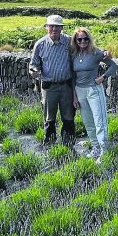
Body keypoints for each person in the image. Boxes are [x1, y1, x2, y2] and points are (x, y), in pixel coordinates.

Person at [70, 27, 118, 160]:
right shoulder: (74, 55)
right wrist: (74, 96)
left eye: (85, 39)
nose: (83, 41)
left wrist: (102, 77)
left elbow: (114, 66)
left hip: (94, 90)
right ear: (76, 40)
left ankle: (104, 151)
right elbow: (73, 77)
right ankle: (96, 148)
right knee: (88, 122)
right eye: (79, 39)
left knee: (99, 121)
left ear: (89, 39)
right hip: (80, 91)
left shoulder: (96, 53)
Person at [28, 15, 76, 146]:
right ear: (47, 28)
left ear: (61, 28)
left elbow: (85, 49)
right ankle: (49, 143)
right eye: (51, 26)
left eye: (57, 26)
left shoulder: (69, 41)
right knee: (49, 117)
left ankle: (69, 143)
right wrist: (33, 71)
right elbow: (33, 64)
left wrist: (102, 53)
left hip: (66, 85)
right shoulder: (40, 44)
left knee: (68, 115)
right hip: (49, 87)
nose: (54, 28)